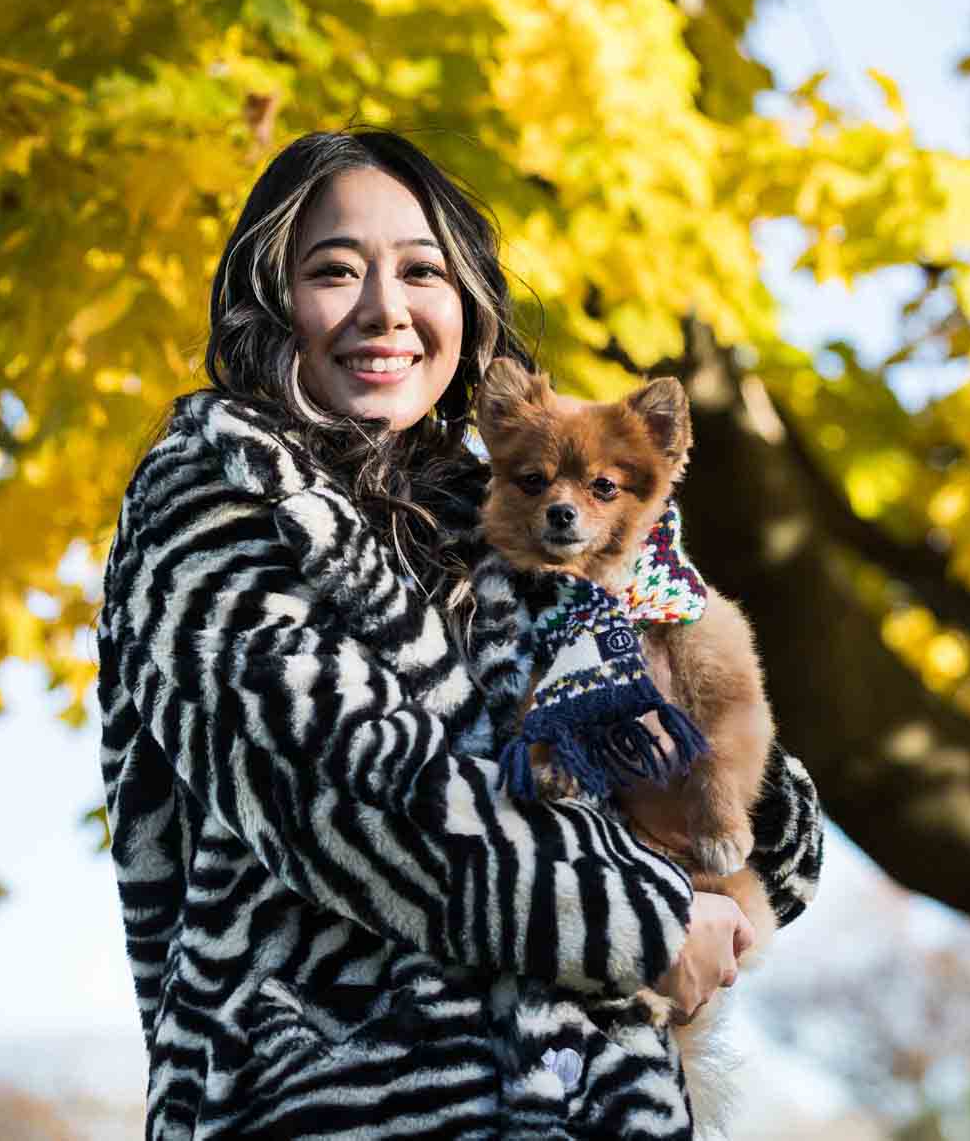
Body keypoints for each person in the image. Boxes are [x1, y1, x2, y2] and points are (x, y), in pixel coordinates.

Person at [96, 128, 824, 1139]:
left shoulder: (519, 511)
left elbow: (767, 835)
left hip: (598, 1103)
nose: (383, 309)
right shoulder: (214, 494)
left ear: (466, 302)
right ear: (274, 300)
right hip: (337, 1098)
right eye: (334, 270)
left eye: (421, 271)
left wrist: (713, 800)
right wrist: (642, 922)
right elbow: (341, 800)